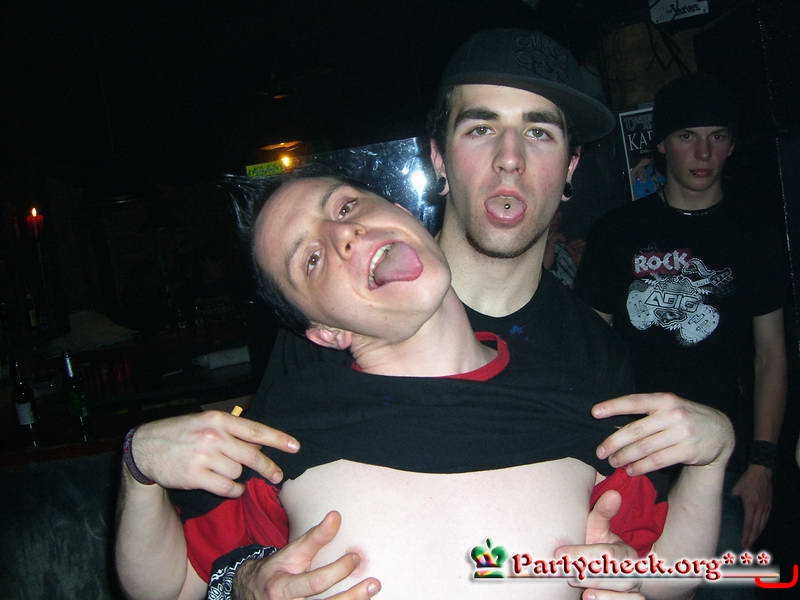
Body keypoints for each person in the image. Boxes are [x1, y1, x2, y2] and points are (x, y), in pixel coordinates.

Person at [114, 30, 733, 600]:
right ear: (437, 159)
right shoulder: (309, 363)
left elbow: (654, 570)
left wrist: (710, 468)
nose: (510, 158)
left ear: (571, 168)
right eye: (481, 128)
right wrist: (242, 579)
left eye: (540, 132)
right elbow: (206, 568)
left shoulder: (592, 359)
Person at [575, 72, 787, 597]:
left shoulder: (754, 233)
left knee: (730, 587)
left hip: (722, 457)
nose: (703, 152)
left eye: (718, 136)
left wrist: (762, 464)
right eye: (688, 135)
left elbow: (771, 356)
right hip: (628, 458)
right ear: (662, 144)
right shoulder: (617, 232)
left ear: (732, 145)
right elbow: (586, 348)